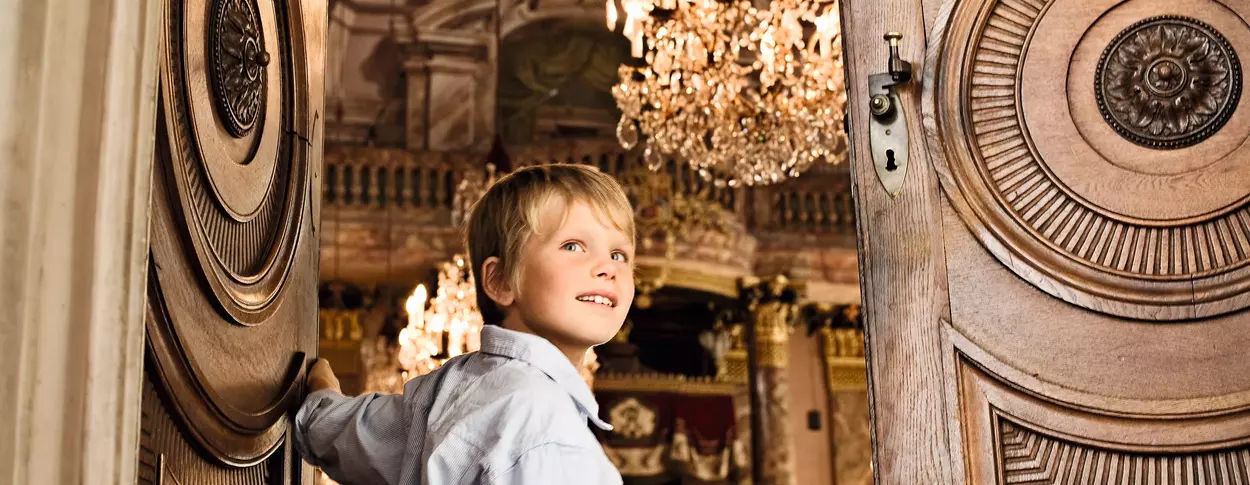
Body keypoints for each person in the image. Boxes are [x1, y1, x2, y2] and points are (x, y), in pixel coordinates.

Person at [294, 163, 635, 485]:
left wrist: (321, 393)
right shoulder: (549, 430)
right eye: (573, 246)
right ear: (500, 280)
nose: (608, 267)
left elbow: (344, 434)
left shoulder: (447, 389)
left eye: (619, 254)